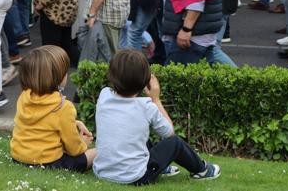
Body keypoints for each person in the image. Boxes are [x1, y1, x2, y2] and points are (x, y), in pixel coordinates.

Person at [93, 49, 221, 185]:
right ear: (145, 80)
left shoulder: (104, 95)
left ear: (111, 75)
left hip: (102, 172)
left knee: (134, 132)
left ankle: (162, 167)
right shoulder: (147, 106)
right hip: (136, 177)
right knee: (175, 143)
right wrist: (156, 99)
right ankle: (201, 170)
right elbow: (169, 133)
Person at [11, 45, 96, 170]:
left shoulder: (24, 97)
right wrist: (83, 143)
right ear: (59, 77)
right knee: (96, 152)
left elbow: (42, 122)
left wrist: (75, 123)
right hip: (49, 163)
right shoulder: (63, 107)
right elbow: (74, 149)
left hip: (18, 159)